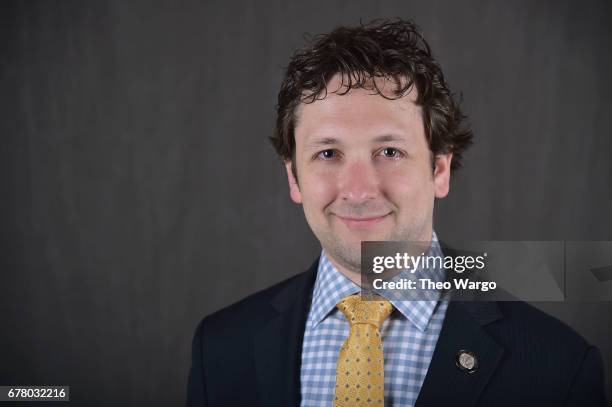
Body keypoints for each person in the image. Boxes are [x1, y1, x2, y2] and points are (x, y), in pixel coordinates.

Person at [186, 19, 607, 407]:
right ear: (294, 178)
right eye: (328, 153)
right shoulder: (221, 348)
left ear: (439, 169)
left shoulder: (559, 367)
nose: (358, 189)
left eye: (390, 151)